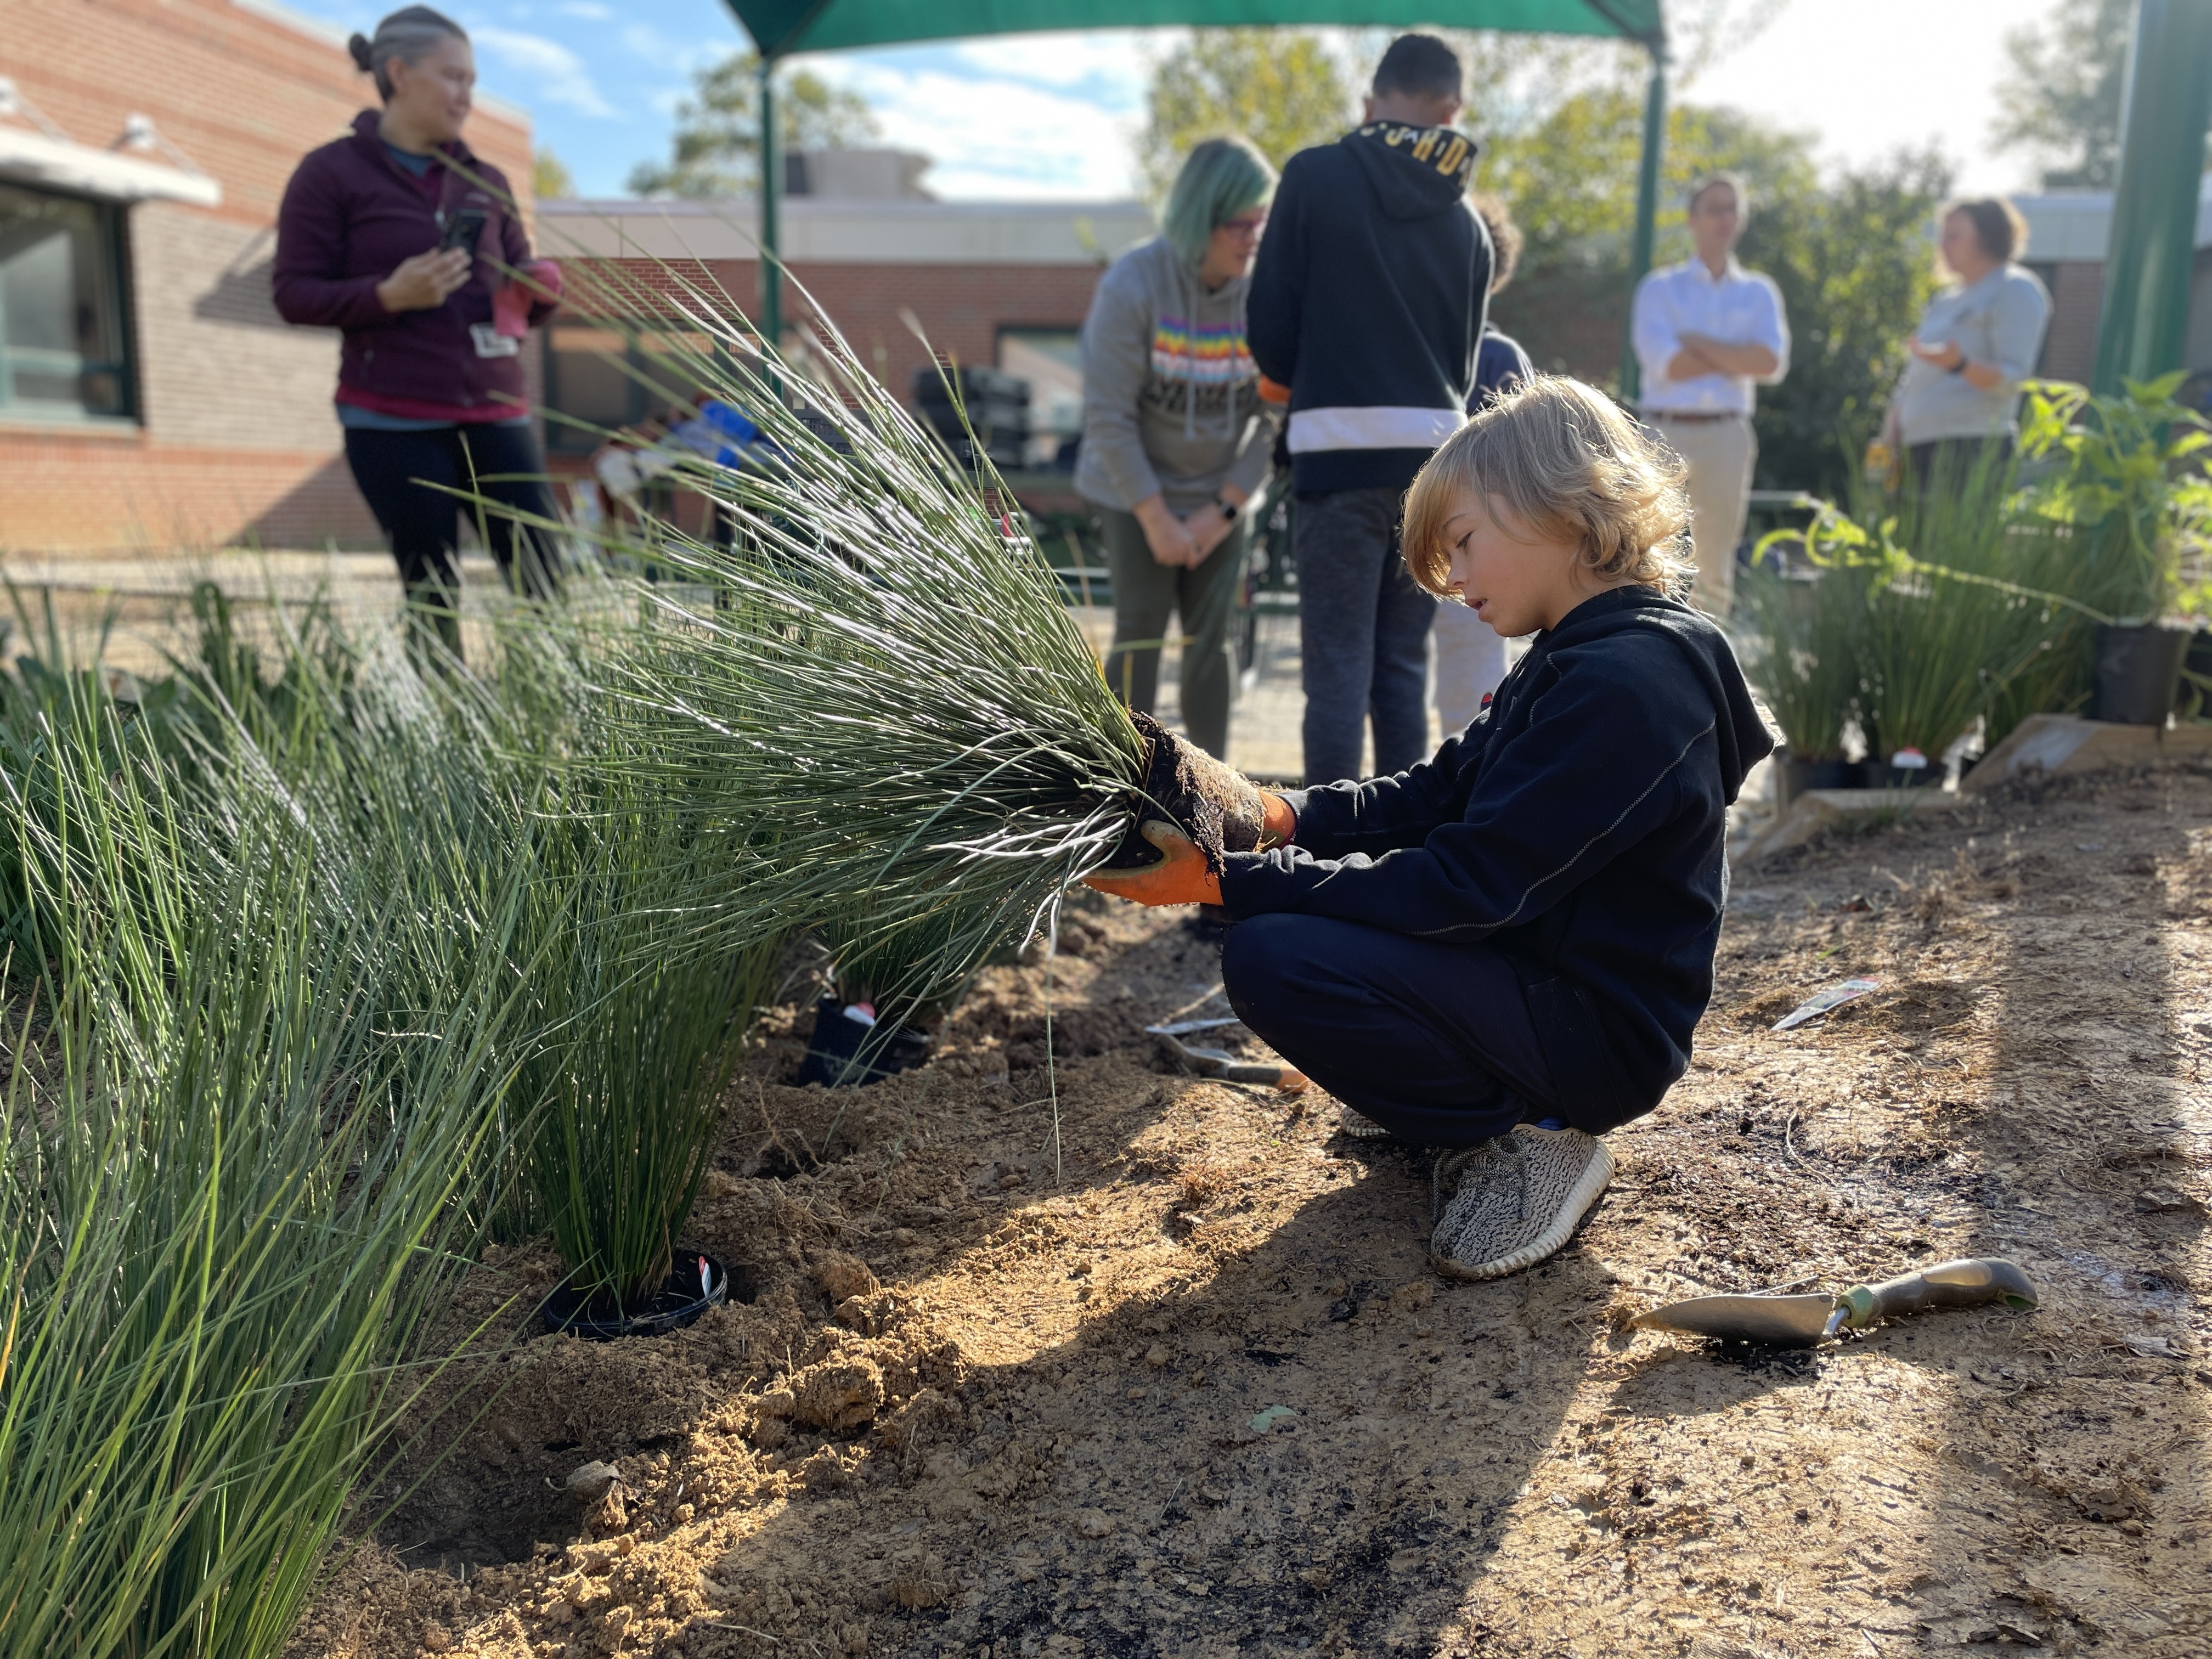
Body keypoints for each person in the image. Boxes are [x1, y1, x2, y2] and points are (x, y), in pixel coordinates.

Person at [1085, 377, 1773, 1282]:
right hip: (1538, 980)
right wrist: (1278, 812)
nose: (1451, 582)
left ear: (1553, 507)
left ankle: (1527, 1139)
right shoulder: (1578, 655)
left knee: (1275, 955)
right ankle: (1452, 1093)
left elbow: (1464, 885)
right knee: (1292, 939)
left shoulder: (1628, 687)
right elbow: (1438, 790)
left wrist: (1222, 881)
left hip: (1592, 1033)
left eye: (1462, 543)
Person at [274, 5, 563, 664]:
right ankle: (447, 743)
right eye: (454, 77)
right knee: (431, 592)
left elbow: (516, 290)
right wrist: (385, 295)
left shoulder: (486, 182)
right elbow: (292, 293)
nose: (468, 95)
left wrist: (537, 291)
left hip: (497, 412)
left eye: (473, 80)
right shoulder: (330, 174)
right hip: (391, 423)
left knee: (544, 582)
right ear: (399, 72)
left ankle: (557, 727)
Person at [1247, 32, 1493, 787]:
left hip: (1335, 454)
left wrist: (1315, 381)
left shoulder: (1315, 178)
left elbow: (1268, 330)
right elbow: (1465, 368)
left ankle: (1323, 857)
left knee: (1337, 664)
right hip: (1433, 469)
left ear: (1372, 100)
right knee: (1400, 664)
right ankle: (1399, 854)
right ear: (1452, 110)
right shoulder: (1469, 226)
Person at [1076, 136, 1277, 763]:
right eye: (1236, 223)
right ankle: (1120, 783)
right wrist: (1158, 519)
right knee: (1139, 630)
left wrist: (1221, 512)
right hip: (1133, 490)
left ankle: (1212, 792)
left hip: (1221, 491)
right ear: (1198, 218)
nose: (1251, 236)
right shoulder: (1134, 286)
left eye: (1260, 220)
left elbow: (1275, 421)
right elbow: (1108, 418)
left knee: (1210, 640)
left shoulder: (1265, 295)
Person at [1630, 173, 1789, 619]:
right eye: (1715, 208)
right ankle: (1644, 651)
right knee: (1645, 551)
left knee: (1716, 561)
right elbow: (1669, 365)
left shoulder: (1759, 292)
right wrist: (1736, 356)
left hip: (1728, 435)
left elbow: (1770, 364)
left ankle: (1706, 667)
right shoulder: (1659, 288)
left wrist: (1697, 340)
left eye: (1732, 208)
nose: (1725, 218)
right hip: (1663, 430)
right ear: (1692, 219)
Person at [1431, 194, 1534, 736]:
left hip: (1464, 540)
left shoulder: (1494, 356)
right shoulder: (1501, 356)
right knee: (1467, 675)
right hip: (1468, 536)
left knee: (1466, 676)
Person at [1878, 197, 2050, 495]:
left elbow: (2015, 380)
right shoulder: (1944, 301)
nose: (1943, 245)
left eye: (1955, 235)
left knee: (1952, 543)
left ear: (1990, 237)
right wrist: (1886, 443)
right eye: (1942, 235)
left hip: (1972, 447)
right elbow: (1911, 382)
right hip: (1915, 448)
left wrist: (1961, 365)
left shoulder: (2015, 289)